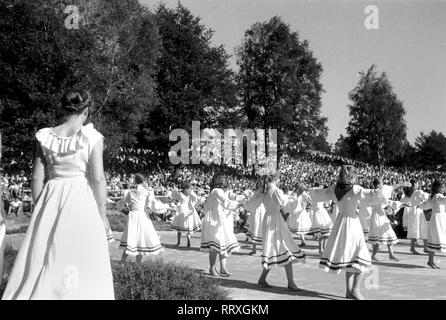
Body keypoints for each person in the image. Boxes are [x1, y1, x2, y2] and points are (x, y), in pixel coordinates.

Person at [2, 90, 114, 299]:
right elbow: (98, 178)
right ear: (86, 111)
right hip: (81, 197)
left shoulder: (45, 136)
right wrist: (103, 214)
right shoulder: (92, 137)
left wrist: (39, 207)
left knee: (44, 253)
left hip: (52, 193)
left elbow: (36, 177)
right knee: (81, 251)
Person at [308, 165, 386, 300]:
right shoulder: (355, 189)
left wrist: (306, 189)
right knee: (360, 257)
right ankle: (355, 290)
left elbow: (319, 194)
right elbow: (373, 196)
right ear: (352, 176)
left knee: (350, 257)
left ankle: (349, 291)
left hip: (340, 222)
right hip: (352, 223)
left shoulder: (334, 188)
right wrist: (380, 188)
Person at [257, 173, 306, 291]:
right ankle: (291, 283)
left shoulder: (264, 189)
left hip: (268, 219)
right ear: (275, 179)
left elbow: (251, 204)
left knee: (273, 250)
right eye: (279, 178)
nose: (280, 181)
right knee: (284, 250)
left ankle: (262, 279)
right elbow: (288, 206)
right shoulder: (275, 191)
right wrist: (296, 196)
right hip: (275, 221)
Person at [200, 174, 242, 277]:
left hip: (221, 220)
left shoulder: (222, 191)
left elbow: (231, 197)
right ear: (220, 182)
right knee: (215, 244)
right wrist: (238, 204)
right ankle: (212, 267)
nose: (226, 182)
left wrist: (243, 197)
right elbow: (225, 203)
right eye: (224, 180)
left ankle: (223, 267)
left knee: (224, 243)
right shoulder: (217, 191)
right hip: (214, 220)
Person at [368, 179, 402, 261]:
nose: (383, 184)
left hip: (380, 214)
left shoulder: (373, 192)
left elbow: (385, 202)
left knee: (389, 233)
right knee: (378, 235)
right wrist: (400, 204)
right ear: (378, 185)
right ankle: (374, 255)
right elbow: (387, 201)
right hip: (377, 215)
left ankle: (391, 254)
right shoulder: (377, 192)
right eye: (382, 183)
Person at [418, 180, 446, 269]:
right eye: (442, 187)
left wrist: (419, 206)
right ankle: (430, 261)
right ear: (437, 188)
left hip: (435, 219)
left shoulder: (432, 197)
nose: (444, 188)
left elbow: (425, 205)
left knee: (433, 240)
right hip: (439, 220)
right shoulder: (438, 196)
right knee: (436, 239)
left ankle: (430, 261)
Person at [170, 181, 203, 247]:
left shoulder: (184, 193)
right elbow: (197, 199)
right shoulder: (185, 193)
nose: (191, 188)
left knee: (182, 225)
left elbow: (173, 197)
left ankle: (182, 241)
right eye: (190, 187)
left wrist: (174, 192)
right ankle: (185, 241)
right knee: (187, 225)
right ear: (187, 187)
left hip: (184, 209)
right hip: (185, 209)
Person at [404, 180, 430, 254]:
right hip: (417, 211)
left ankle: (423, 247)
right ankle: (415, 247)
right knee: (420, 228)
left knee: (418, 228)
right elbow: (426, 196)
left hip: (415, 211)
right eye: (418, 183)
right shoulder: (418, 192)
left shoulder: (410, 192)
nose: (418, 184)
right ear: (415, 184)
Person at [309, 184, 333, 254]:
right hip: (318, 213)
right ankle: (321, 249)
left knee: (327, 232)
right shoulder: (315, 193)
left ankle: (323, 248)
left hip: (322, 213)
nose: (321, 187)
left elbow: (327, 200)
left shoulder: (321, 194)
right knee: (321, 233)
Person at [244, 179, 266, 255]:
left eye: (261, 185)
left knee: (260, 230)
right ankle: (254, 250)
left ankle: (263, 251)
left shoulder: (264, 193)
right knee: (255, 229)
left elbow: (255, 202)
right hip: (256, 212)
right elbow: (252, 201)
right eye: (259, 185)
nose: (260, 186)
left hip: (261, 212)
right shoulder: (257, 192)